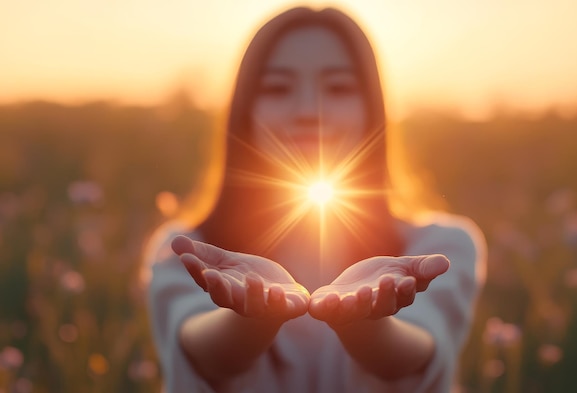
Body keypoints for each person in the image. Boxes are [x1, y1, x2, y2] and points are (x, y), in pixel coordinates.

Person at [144, 6, 486, 393]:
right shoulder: (187, 250)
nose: (309, 112)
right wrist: (253, 317)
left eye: (338, 88)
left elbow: (419, 351)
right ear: (245, 112)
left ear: (373, 109)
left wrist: (363, 322)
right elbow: (201, 352)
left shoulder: (439, 247)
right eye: (277, 88)